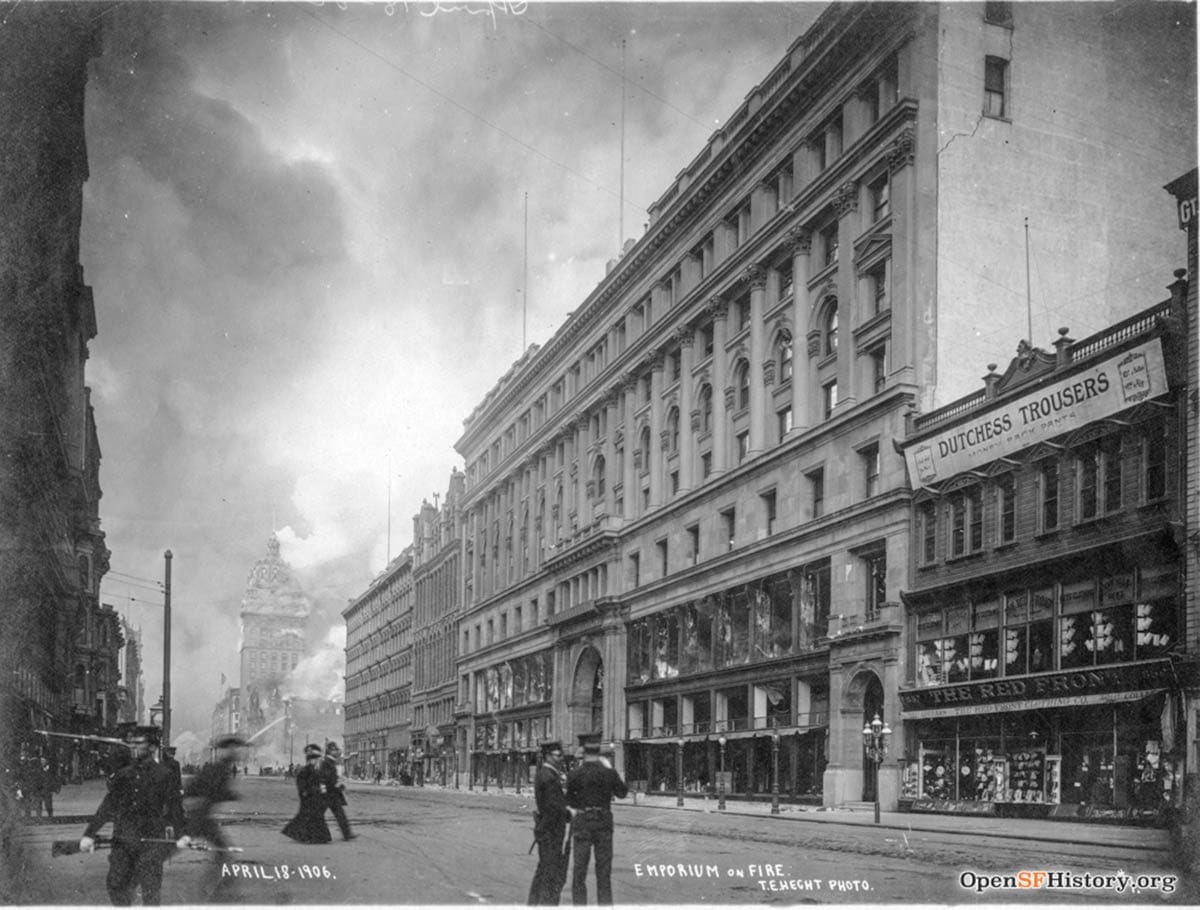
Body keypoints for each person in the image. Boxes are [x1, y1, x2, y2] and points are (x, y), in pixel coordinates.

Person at [78, 727, 189, 906]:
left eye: (139, 743)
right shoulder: (124, 775)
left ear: (152, 747)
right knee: (115, 885)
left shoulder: (164, 775)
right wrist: (89, 834)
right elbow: (108, 806)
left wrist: (181, 833)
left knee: (150, 892)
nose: (134, 747)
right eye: (132, 743)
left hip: (152, 842)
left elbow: (175, 807)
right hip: (124, 841)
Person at [183, 736, 245, 902]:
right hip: (200, 817)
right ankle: (216, 891)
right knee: (224, 852)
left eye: (236, 748)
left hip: (201, 816)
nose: (236, 752)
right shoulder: (219, 768)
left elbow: (202, 788)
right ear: (225, 751)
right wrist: (229, 795)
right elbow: (209, 790)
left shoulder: (220, 767)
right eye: (233, 749)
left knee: (223, 852)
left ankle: (219, 889)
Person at [565, 742, 627, 906]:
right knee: (604, 873)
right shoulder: (609, 773)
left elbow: (569, 801)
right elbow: (622, 793)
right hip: (603, 823)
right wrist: (610, 768)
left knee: (579, 872)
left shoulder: (574, 774)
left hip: (583, 822)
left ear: (583, 752)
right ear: (599, 753)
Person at [527, 741, 572, 906]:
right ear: (548, 756)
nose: (561, 758)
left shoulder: (545, 774)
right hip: (551, 832)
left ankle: (533, 903)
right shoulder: (549, 776)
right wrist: (569, 813)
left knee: (543, 870)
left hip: (545, 830)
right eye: (557, 755)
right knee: (550, 873)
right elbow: (555, 808)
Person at [281, 745, 332, 844]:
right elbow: (302, 783)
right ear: (311, 760)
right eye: (316, 759)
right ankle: (316, 837)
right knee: (312, 816)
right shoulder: (306, 770)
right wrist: (305, 792)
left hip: (313, 796)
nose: (318, 761)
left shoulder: (312, 769)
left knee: (309, 816)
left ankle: (310, 836)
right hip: (308, 796)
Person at [320, 742, 355, 841]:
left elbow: (330, 778)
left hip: (331, 793)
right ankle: (347, 834)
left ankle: (347, 834)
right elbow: (327, 778)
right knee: (337, 814)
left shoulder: (330, 761)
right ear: (330, 751)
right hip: (330, 793)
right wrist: (338, 786)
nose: (337, 752)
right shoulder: (327, 762)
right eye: (335, 750)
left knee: (340, 814)